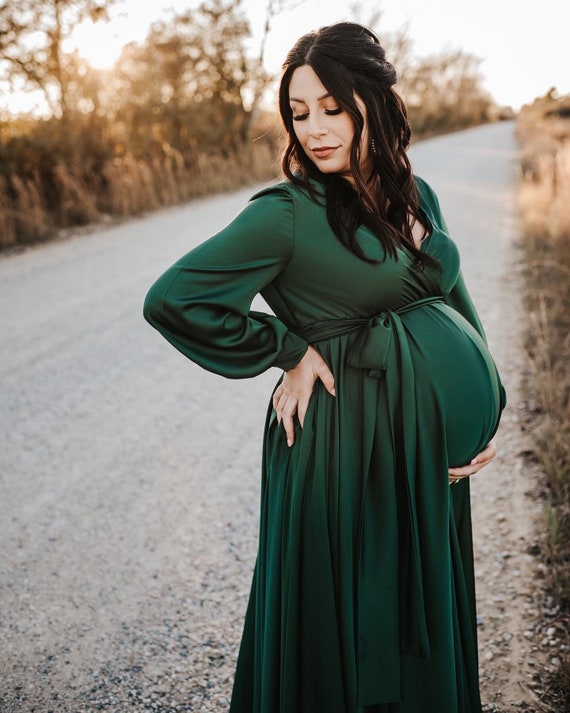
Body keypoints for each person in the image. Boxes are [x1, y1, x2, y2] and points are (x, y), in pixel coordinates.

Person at [143, 21, 506, 713]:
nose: (314, 128)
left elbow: (450, 299)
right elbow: (175, 297)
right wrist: (287, 348)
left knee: (412, 624)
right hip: (343, 448)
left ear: (372, 101)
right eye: (299, 112)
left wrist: (488, 402)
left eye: (331, 108)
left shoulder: (417, 194)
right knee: (346, 630)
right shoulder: (286, 214)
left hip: (423, 455)